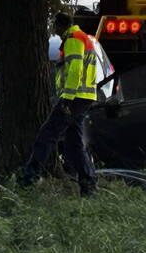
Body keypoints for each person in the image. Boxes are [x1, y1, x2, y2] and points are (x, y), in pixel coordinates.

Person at [19, 12, 98, 196]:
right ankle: (89, 184)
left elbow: (75, 70)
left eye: (55, 27)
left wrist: (66, 99)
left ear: (60, 25)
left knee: (46, 135)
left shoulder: (73, 39)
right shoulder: (81, 37)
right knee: (73, 142)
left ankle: (28, 180)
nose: (54, 31)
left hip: (74, 98)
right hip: (83, 97)